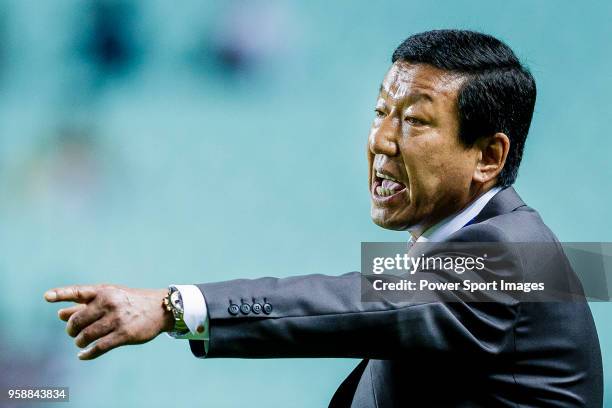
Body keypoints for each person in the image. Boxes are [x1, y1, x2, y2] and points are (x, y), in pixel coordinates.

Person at [45, 30, 603, 407]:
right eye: (381, 112)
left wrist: (174, 307)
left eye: (414, 121)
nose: (381, 141)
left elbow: (354, 302)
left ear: (488, 157)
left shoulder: (515, 257)